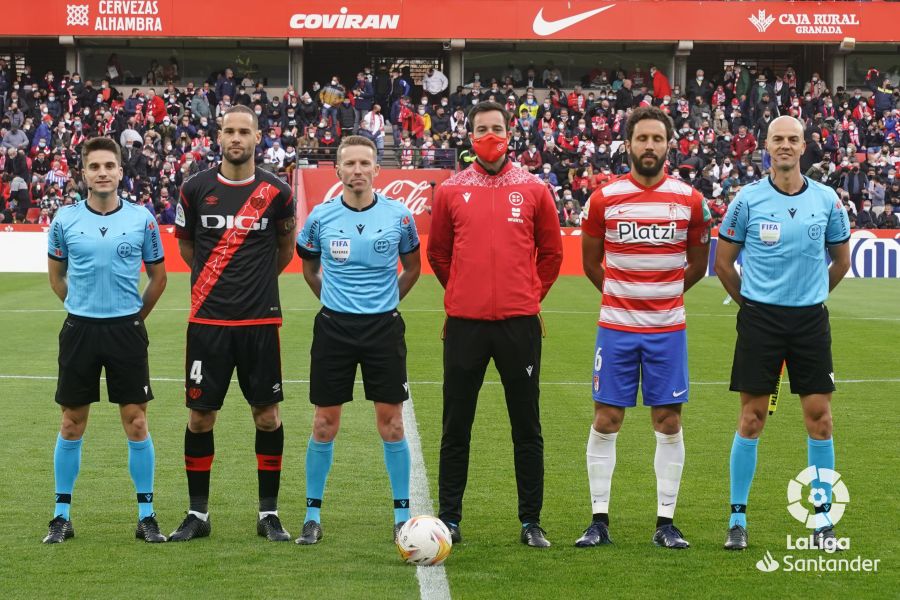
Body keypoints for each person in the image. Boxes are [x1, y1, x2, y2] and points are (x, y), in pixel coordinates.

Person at [427, 101, 563, 547]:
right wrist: (461, 291)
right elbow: (439, 255)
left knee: (526, 426)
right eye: (482, 129)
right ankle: (449, 517)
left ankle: (531, 521)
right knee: (456, 425)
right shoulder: (450, 190)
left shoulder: (535, 188)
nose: (491, 135)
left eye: (497, 128)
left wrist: (526, 296)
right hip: (464, 326)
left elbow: (551, 255)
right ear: (470, 138)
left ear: (511, 133)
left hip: (519, 325)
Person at [575, 106, 710, 550]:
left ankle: (665, 522)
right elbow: (592, 263)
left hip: (667, 330)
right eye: (641, 139)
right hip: (616, 329)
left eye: (657, 139)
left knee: (667, 420)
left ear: (669, 144)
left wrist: (664, 295)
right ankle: (599, 521)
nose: (649, 146)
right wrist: (623, 297)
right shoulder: (604, 198)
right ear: (628, 145)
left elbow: (697, 264)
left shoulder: (690, 200)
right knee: (607, 418)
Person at [715, 116, 851, 551]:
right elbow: (723, 263)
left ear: (804, 146)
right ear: (766, 146)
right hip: (761, 322)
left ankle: (823, 519)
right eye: (779, 139)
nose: (786, 145)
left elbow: (841, 261)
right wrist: (751, 307)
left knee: (820, 419)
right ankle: (737, 519)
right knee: (751, 419)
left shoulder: (827, 199)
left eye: (794, 139)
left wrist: (810, 297)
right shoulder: (747, 200)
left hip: (810, 322)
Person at [169, 104, 297, 542]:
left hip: (260, 322)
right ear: (218, 137)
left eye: (245, 131)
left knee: (267, 416)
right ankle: (197, 515)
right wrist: (214, 283)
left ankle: (268, 515)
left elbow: (284, 249)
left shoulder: (278, 192)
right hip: (207, 321)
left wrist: (254, 286)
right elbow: (188, 249)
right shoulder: (194, 188)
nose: (236, 138)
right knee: (201, 417)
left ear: (258, 136)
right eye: (229, 131)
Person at [294, 135, 421, 545]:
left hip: (383, 329)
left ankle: (402, 516)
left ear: (376, 169)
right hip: (334, 329)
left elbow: (413, 267)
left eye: (365, 163)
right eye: (350, 164)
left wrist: (385, 303)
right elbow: (308, 267)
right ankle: (312, 515)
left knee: (392, 423)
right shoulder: (320, 217)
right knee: (324, 422)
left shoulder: (400, 215)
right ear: (338, 170)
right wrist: (332, 301)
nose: (358, 170)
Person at [44, 136, 168, 543]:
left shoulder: (142, 219)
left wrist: (132, 319)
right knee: (70, 423)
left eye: (108, 166)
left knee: (136, 422)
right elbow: (57, 277)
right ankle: (61, 516)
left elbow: (158, 278)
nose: (101, 173)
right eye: (94, 166)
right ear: (84, 173)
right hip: (80, 330)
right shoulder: (64, 220)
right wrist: (82, 308)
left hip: (125, 332)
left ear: (120, 171)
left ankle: (146, 516)